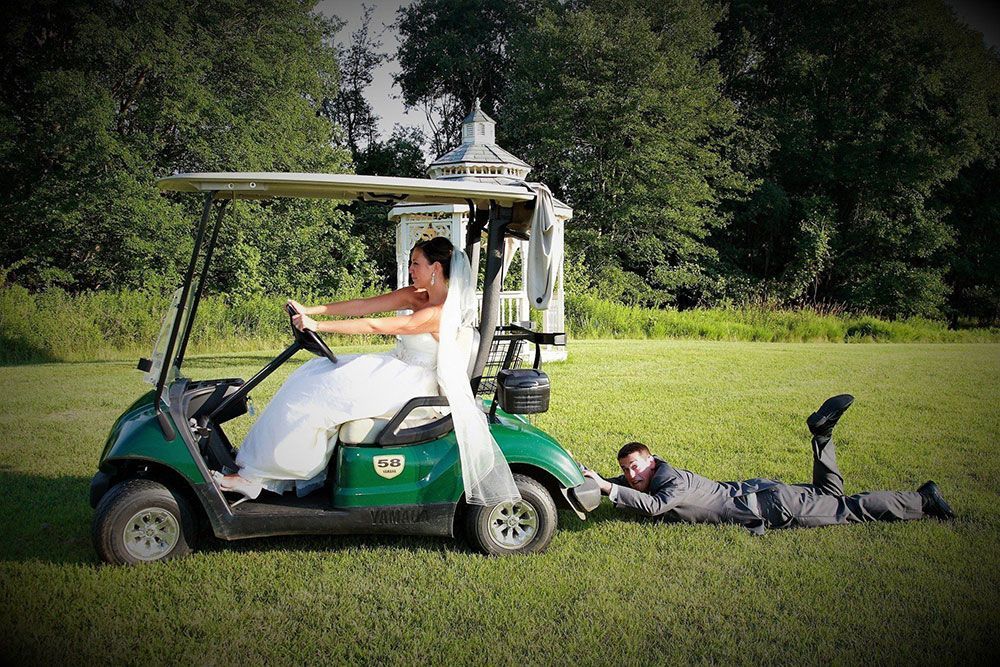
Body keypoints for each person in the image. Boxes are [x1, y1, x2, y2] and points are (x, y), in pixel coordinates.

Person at [215, 237, 520, 507]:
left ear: (436, 269)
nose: (411, 269)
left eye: (416, 263)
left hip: (415, 384)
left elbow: (376, 325)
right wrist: (311, 310)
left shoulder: (438, 315)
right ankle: (263, 472)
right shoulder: (416, 296)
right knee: (311, 375)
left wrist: (320, 328)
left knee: (320, 392)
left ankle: (263, 475)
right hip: (397, 368)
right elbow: (364, 306)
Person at [582, 395, 955, 534]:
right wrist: (586, 475)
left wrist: (607, 488)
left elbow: (654, 506)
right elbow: (630, 485)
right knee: (830, 493)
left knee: (848, 509)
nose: (631, 475)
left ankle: (923, 502)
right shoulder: (658, 474)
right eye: (627, 470)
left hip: (772, 506)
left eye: (635, 467)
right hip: (764, 493)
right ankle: (822, 437)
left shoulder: (672, 484)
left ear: (653, 459)